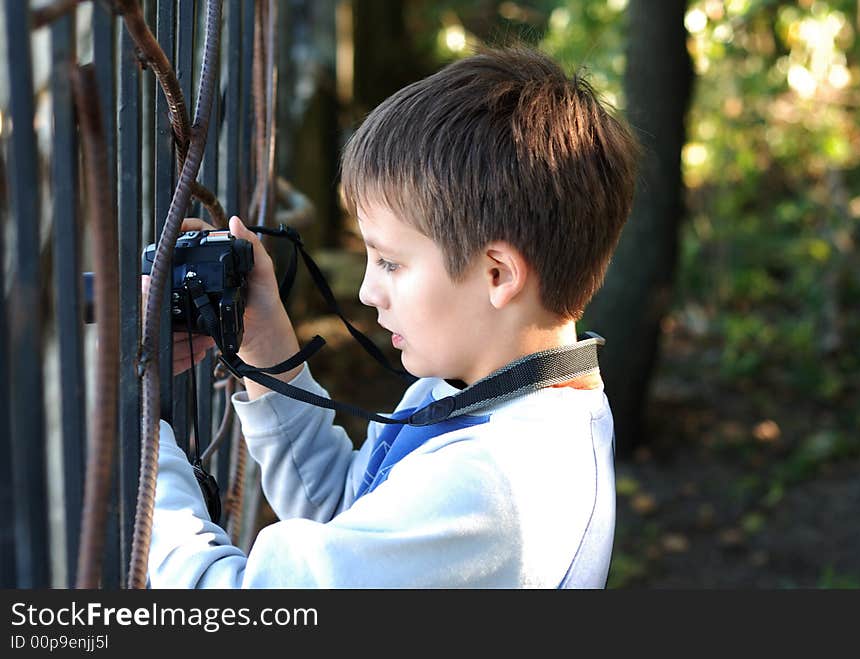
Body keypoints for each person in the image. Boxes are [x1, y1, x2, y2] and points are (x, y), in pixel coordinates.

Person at [148, 45, 640, 588]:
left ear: (497, 274)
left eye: (389, 262)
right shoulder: (474, 395)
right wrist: (269, 351)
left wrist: (144, 456)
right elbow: (350, 513)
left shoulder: (491, 487)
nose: (366, 291)